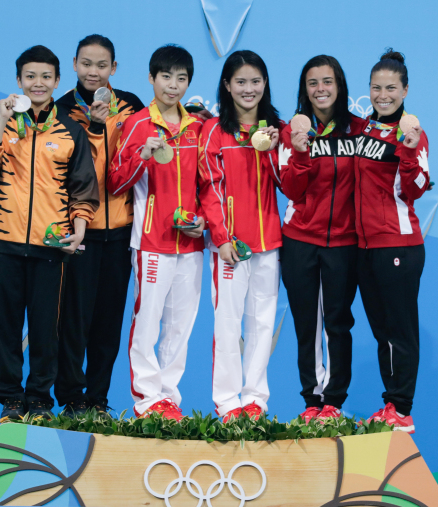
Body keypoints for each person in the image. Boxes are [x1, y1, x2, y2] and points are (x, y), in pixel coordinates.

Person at [0, 45, 99, 423]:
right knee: (6, 327)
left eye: (45, 76)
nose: (38, 83)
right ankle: (10, 399)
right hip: (4, 241)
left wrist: (78, 233)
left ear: (57, 81)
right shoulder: (3, 123)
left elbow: (83, 189)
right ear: (18, 81)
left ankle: (40, 399)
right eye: (30, 76)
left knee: (46, 328)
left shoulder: (71, 129)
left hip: (51, 245)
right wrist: (1, 120)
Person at [107, 44, 204, 421]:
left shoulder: (199, 127)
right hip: (151, 242)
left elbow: (209, 186)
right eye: (166, 77)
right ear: (151, 78)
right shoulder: (135, 125)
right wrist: (141, 156)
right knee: (147, 319)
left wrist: (205, 224)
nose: (173, 86)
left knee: (181, 325)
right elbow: (115, 182)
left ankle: (169, 398)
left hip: (192, 243)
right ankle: (147, 400)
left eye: (181, 79)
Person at [53, 34, 145, 417]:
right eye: (87, 64)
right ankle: (72, 398)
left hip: (121, 230)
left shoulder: (131, 106)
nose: (94, 72)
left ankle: (98, 401)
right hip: (79, 233)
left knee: (108, 323)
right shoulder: (60, 111)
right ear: (74, 64)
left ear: (114, 68)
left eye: (102, 65)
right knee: (73, 320)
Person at [278, 55, 364, 423]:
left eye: (327, 82)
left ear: (340, 86)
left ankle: (334, 400)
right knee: (307, 325)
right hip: (300, 239)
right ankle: (312, 402)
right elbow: (291, 189)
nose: (321, 89)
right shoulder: (291, 131)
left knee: (338, 322)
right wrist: (299, 150)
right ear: (305, 90)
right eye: (313, 83)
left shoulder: (359, 131)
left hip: (344, 243)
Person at [198, 50, 282, 423]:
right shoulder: (214, 130)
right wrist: (222, 237)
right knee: (228, 324)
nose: (249, 89)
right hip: (232, 246)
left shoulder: (277, 129)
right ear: (227, 86)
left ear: (265, 84)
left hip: (269, 243)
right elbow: (210, 187)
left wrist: (280, 148)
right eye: (241, 82)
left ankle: (256, 399)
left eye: (256, 81)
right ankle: (228, 401)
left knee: (263, 322)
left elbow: (289, 184)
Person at [356, 49, 429, 434]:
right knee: (382, 332)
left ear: (404, 91)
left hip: (398, 245)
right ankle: (391, 406)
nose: (382, 94)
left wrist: (410, 147)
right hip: (364, 249)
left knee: (400, 331)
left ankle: (402, 408)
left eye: (391, 88)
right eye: (376, 88)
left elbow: (415, 188)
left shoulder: (412, 133)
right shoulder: (363, 129)